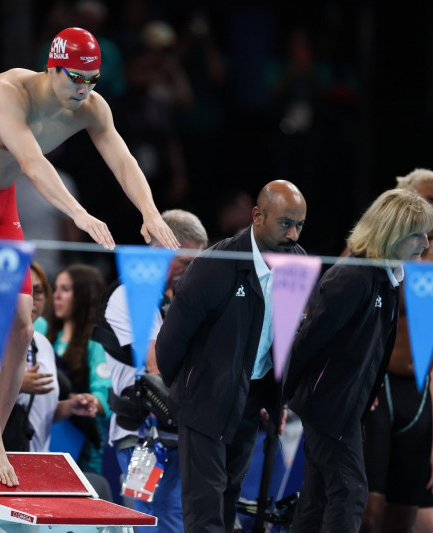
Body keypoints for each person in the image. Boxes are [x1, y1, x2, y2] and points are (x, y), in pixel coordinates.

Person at [0, 26, 179, 486]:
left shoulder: (91, 106)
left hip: (1, 206)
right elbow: (32, 163)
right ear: (52, 67)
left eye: (93, 79)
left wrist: (150, 212)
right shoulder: (9, 91)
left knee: (24, 318)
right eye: (75, 78)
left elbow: (122, 159)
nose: (84, 89)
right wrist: (79, 214)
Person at [156, 180, 308, 533]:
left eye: (300, 224)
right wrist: (190, 390)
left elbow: (284, 338)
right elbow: (170, 344)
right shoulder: (216, 265)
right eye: (285, 223)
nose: (294, 234)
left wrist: (277, 398)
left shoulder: (297, 265)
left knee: (227, 504)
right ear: (257, 216)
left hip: (251, 400)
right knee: (205, 511)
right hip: (205, 400)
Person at [284, 188, 433, 533]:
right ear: (392, 234)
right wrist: (275, 397)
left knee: (318, 496)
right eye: (417, 235)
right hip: (328, 405)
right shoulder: (352, 277)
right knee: (351, 492)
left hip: (347, 404)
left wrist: (368, 392)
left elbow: (371, 352)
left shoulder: (386, 278)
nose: (425, 244)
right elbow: (307, 343)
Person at [97, 209, 208, 533]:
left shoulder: (176, 299)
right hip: (144, 439)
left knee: (178, 522)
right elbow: (157, 367)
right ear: (160, 251)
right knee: (160, 524)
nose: (189, 272)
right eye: (185, 262)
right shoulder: (132, 294)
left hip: (178, 434)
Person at [359, 169, 433, 533]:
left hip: (419, 394)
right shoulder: (372, 251)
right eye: (430, 200)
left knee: (404, 516)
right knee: (368, 512)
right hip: (377, 390)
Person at [0, 262, 100, 453]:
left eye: (37, 292)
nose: (29, 300)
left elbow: (41, 413)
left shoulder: (44, 345)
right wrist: (16, 385)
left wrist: (70, 407)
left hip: (32, 459)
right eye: (21, 291)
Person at [45, 263, 111, 474]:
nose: (56, 296)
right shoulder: (45, 334)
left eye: (65, 289)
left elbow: (104, 395)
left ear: (85, 295)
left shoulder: (97, 341)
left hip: (82, 442)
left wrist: (90, 402)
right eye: (55, 289)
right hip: (45, 436)